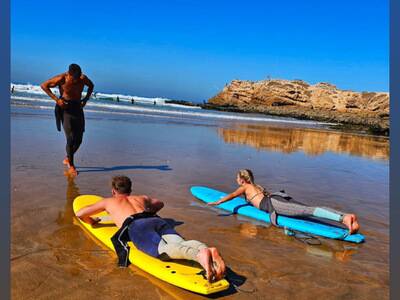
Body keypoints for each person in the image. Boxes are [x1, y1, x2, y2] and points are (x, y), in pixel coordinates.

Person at [76, 176, 226, 282]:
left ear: (113, 192)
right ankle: (204, 248)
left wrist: (93, 221)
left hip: (137, 227)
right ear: (130, 189)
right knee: (179, 242)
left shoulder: (109, 201)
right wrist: (147, 208)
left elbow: (80, 213)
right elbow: (160, 204)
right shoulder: (141, 197)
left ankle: (199, 255)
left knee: (162, 251)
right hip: (154, 219)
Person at [208, 169, 360, 234]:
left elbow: (233, 195)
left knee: (308, 211)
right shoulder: (254, 186)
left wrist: (218, 202)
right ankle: (347, 218)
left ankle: (344, 218)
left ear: (242, 180)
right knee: (307, 209)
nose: (236, 180)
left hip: (275, 204)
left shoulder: (245, 187)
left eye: (237, 178)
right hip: (275, 200)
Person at [40, 64, 94, 176]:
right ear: (68, 74)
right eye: (74, 78)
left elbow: (91, 86)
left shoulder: (82, 78)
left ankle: (68, 157)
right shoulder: (61, 78)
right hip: (65, 108)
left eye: (77, 78)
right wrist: (56, 100)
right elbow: (44, 85)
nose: (76, 81)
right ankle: (72, 165)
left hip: (78, 108)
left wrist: (85, 99)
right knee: (70, 138)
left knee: (79, 139)